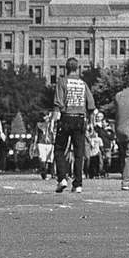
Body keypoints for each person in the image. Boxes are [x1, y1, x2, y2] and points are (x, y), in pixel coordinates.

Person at [50, 56, 95, 193]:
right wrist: (91, 122)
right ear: (78, 69)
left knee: (59, 149)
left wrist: (53, 121)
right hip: (80, 119)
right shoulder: (83, 84)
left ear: (66, 69)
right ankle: (78, 183)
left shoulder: (62, 82)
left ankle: (62, 178)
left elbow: (58, 103)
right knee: (78, 152)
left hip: (66, 118)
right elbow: (91, 105)